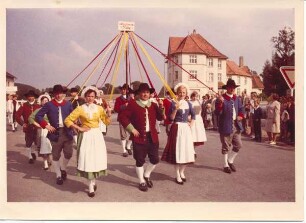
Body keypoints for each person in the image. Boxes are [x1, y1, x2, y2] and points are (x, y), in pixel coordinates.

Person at [65, 86, 111, 197]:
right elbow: (67, 120)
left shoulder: (99, 108)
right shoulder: (80, 108)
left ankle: (93, 182)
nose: (90, 98)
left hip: (97, 136)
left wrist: (108, 113)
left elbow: (106, 122)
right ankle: (90, 187)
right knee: (88, 159)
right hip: (85, 135)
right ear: (85, 97)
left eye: (92, 96)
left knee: (95, 159)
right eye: (88, 96)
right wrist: (79, 128)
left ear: (95, 97)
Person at [118, 83, 165, 192]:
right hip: (139, 137)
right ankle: (141, 181)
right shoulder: (133, 104)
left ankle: (147, 175)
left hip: (152, 137)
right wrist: (132, 129)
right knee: (140, 160)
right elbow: (122, 117)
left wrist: (161, 107)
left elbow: (160, 117)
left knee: (155, 159)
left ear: (150, 94)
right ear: (139, 93)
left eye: (147, 92)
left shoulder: (153, 105)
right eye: (143, 92)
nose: (145, 94)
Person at [35, 84, 74, 185]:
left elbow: (74, 116)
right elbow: (38, 116)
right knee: (56, 155)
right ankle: (58, 175)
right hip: (55, 133)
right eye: (56, 93)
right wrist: (46, 125)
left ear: (63, 94)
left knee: (69, 153)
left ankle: (63, 168)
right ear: (54, 94)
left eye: (60, 93)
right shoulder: (49, 104)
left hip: (68, 132)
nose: (58, 95)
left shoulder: (68, 104)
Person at [161, 83, 195, 185]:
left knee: (186, 151)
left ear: (186, 93)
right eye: (180, 92)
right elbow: (171, 118)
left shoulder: (188, 104)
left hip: (185, 129)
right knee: (178, 151)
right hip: (176, 128)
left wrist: (190, 125)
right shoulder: (173, 103)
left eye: (183, 92)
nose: (182, 94)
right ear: (177, 93)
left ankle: (182, 172)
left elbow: (194, 116)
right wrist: (175, 108)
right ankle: (177, 174)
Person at [215, 79, 245, 174]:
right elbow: (217, 113)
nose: (232, 89)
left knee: (238, 145)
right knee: (226, 146)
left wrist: (241, 115)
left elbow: (241, 109)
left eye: (233, 88)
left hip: (236, 125)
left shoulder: (237, 99)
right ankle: (225, 165)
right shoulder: (221, 98)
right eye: (230, 87)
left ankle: (230, 160)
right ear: (227, 88)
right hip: (225, 125)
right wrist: (220, 103)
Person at [15, 90, 41, 164]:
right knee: (28, 143)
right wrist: (22, 123)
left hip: (37, 127)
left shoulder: (38, 106)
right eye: (29, 96)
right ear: (27, 97)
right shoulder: (23, 106)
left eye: (32, 96)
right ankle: (30, 157)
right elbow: (17, 115)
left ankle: (33, 152)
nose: (30, 98)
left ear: (34, 97)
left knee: (37, 143)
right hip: (28, 127)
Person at [28, 93, 52, 170]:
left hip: (51, 130)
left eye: (46, 101)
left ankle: (49, 159)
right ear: (41, 102)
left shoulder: (52, 109)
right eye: (43, 101)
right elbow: (30, 118)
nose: (45, 102)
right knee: (43, 147)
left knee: (50, 146)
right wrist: (37, 125)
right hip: (42, 130)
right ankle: (45, 163)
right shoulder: (38, 110)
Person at [114, 83, 133, 157]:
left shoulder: (131, 99)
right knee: (123, 135)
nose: (124, 91)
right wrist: (124, 106)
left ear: (127, 90)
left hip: (130, 119)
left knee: (133, 133)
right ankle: (124, 150)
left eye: (125, 89)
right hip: (122, 119)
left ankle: (128, 146)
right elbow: (116, 109)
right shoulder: (118, 99)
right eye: (122, 89)